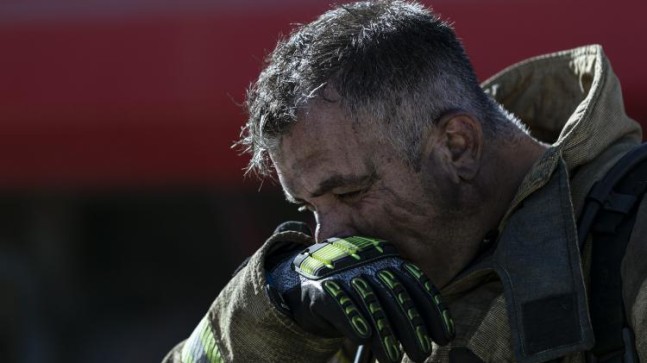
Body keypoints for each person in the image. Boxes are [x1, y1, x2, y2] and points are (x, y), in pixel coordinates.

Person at [163, 1, 647, 362]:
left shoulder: (633, 239)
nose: (326, 238)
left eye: (349, 192)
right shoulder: (341, 301)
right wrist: (278, 306)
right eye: (308, 208)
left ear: (457, 146)